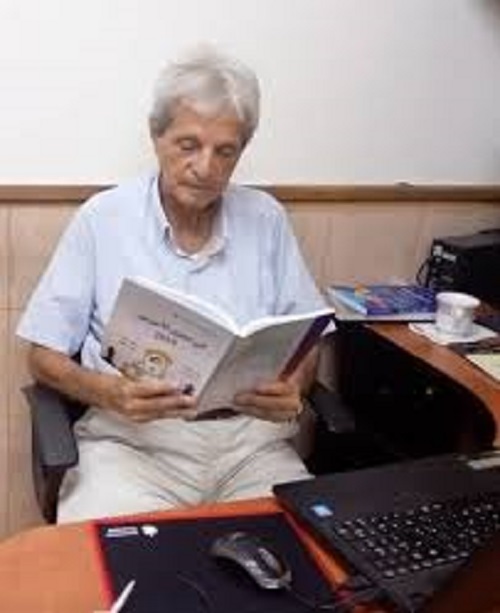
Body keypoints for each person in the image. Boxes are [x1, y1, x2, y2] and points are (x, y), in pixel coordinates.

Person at [17, 46, 328, 522]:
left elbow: (309, 338)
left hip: (251, 449)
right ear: (156, 135)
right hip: (131, 448)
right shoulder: (103, 219)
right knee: (118, 564)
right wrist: (108, 392)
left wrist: (296, 386)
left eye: (225, 151)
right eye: (188, 145)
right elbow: (42, 356)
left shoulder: (266, 219)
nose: (206, 167)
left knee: (308, 557)